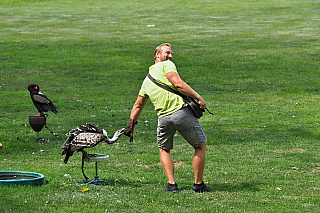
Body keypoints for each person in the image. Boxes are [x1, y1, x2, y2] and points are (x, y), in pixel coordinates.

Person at [124, 43, 210, 193]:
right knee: (200, 145)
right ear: (157, 55)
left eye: (171, 54)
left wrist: (130, 125)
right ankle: (198, 185)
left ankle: (171, 185)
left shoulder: (146, 81)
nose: (170, 56)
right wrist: (198, 98)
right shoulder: (167, 66)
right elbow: (177, 83)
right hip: (180, 113)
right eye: (167, 53)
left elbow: (138, 105)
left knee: (164, 149)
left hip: (163, 118)